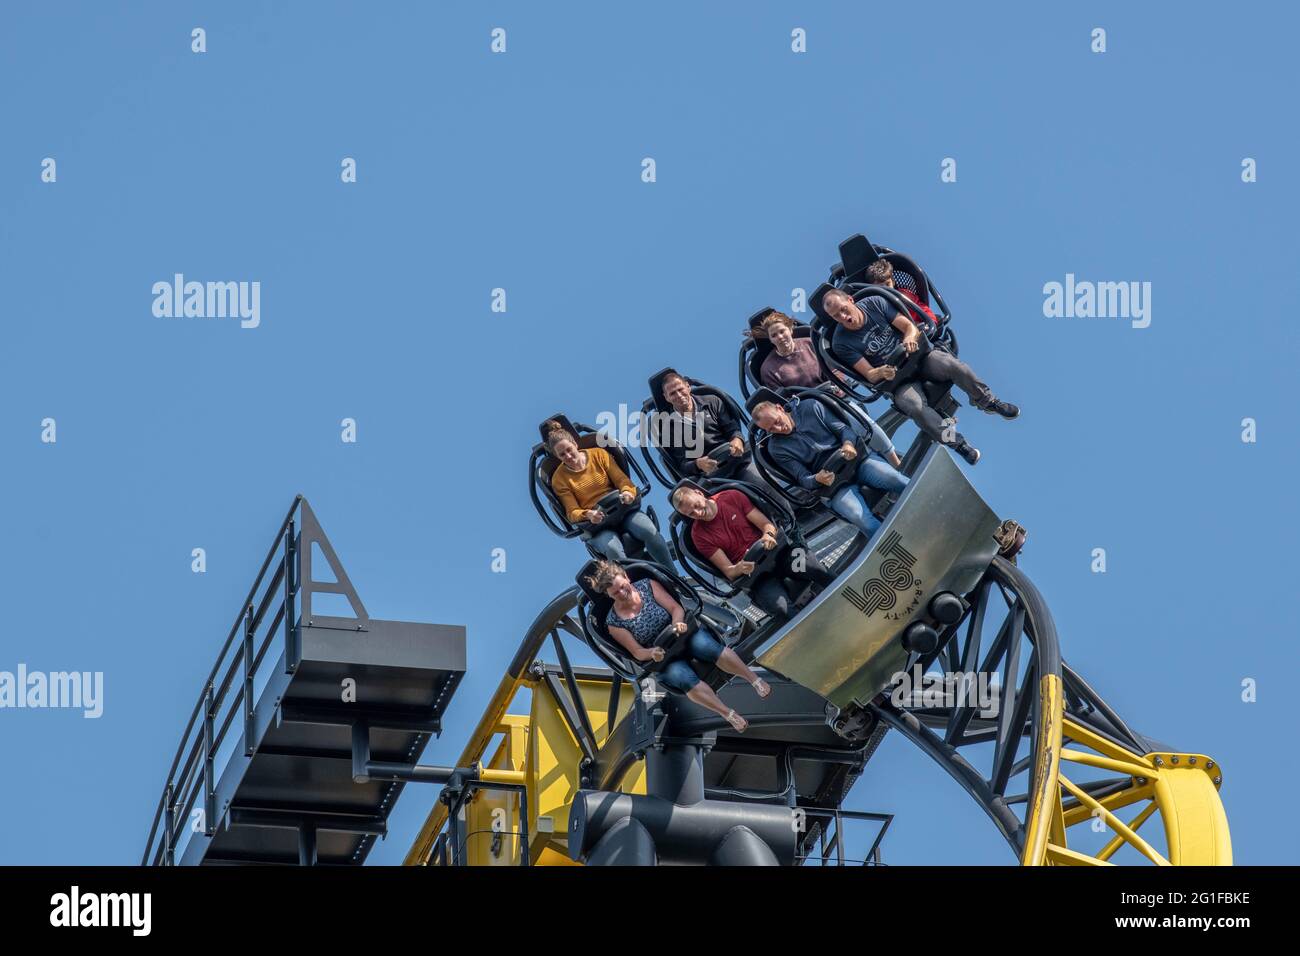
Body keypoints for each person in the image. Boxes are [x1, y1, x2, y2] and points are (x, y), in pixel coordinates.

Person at [823, 285, 1019, 466]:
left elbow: (909, 327)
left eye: (843, 309)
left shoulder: (874, 303)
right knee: (914, 407)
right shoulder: (841, 342)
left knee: (954, 366)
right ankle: (958, 444)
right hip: (898, 381)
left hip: (920, 358)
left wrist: (909, 338)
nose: (843, 316)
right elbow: (870, 374)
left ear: (850, 300)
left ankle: (988, 401)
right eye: (836, 316)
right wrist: (881, 371)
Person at [588, 560, 769, 733]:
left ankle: (754, 680)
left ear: (626, 577)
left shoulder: (646, 586)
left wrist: (677, 624)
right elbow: (637, 652)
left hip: (682, 635)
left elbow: (676, 608)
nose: (622, 592)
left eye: (622, 586)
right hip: (663, 657)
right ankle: (728, 714)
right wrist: (652, 653)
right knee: (680, 676)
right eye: (615, 593)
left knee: (706, 646)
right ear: (609, 596)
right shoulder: (614, 623)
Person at [672, 483, 833, 623]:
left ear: (699, 494)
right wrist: (740, 567)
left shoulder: (731, 497)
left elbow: (767, 525)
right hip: (758, 577)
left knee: (813, 567)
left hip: (781, 555)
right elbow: (729, 571)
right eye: (691, 514)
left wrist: (768, 535)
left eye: (696, 506)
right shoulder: (699, 536)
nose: (698, 513)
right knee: (781, 609)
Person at [751, 396, 907, 538]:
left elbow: (844, 430)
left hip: (857, 462)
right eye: (771, 429)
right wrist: (817, 478)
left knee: (894, 479)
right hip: (834, 487)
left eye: (777, 422)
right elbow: (802, 478)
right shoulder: (776, 449)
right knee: (859, 517)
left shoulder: (811, 407)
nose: (779, 429)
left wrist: (848, 443)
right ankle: (894, 544)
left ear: (780, 408)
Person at [545, 423, 674, 566]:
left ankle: (674, 579)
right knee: (613, 549)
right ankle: (632, 586)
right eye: (562, 454)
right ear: (557, 457)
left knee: (649, 532)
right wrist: (588, 514)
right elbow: (572, 512)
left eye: (569, 449)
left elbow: (622, 480)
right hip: (598, 526)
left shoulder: (598, 454)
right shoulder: (559, 479)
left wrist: (627, 492)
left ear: (575, 444)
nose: (568, 456)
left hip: (622, 510)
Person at [656, 370, 766, 486]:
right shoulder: (669, 428)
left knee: (764, 484)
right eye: (672, 393)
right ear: (666, 397)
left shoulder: (711, 401)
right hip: (712, 479)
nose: (678, 395)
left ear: (688, 386)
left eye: (680, 389)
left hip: (738, 463)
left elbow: (732, 429)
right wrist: (698, 464)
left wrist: (737, 439)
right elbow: (682, 465)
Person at [755, 310, 851, 393]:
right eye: (774, 335)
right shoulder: (768, 369)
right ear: (770, 340)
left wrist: (840, 387)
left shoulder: (811, 344)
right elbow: (781, 400)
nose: (780, 337)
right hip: (804, 407)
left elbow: (835, 370)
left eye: (782, 331)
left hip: (833, 394)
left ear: (790, 330)